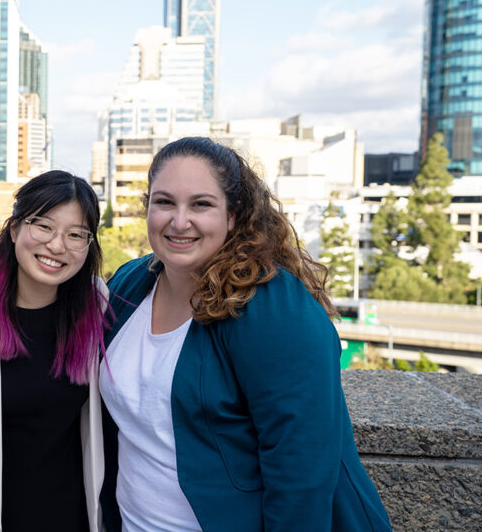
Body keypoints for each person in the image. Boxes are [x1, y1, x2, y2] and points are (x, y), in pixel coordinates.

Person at [100, 137, 392, 532]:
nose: (179, 221)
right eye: (164, 202)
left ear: (234, 215)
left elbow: (301, 470)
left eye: (201, 204)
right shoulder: (130, 283)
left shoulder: (271, 307)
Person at [0, 170, 109, 532]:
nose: (57, 245)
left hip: (72, 518)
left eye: (76, 235)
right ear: (14, 228)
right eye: (44, 226)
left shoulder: (96, 306)